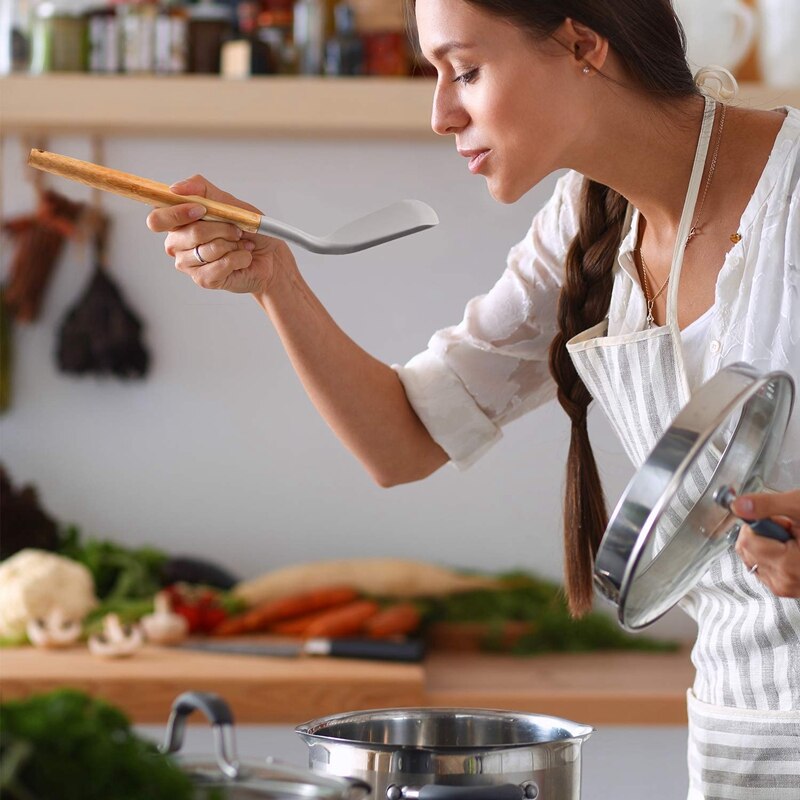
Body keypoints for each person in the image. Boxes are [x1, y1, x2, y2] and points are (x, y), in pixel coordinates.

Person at [146, 0, 800, 795]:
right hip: (737, 734)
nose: (438, 113)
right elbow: (403, 442)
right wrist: (274, 282)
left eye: (465, 70)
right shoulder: (583, 220)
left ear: (581, 45)